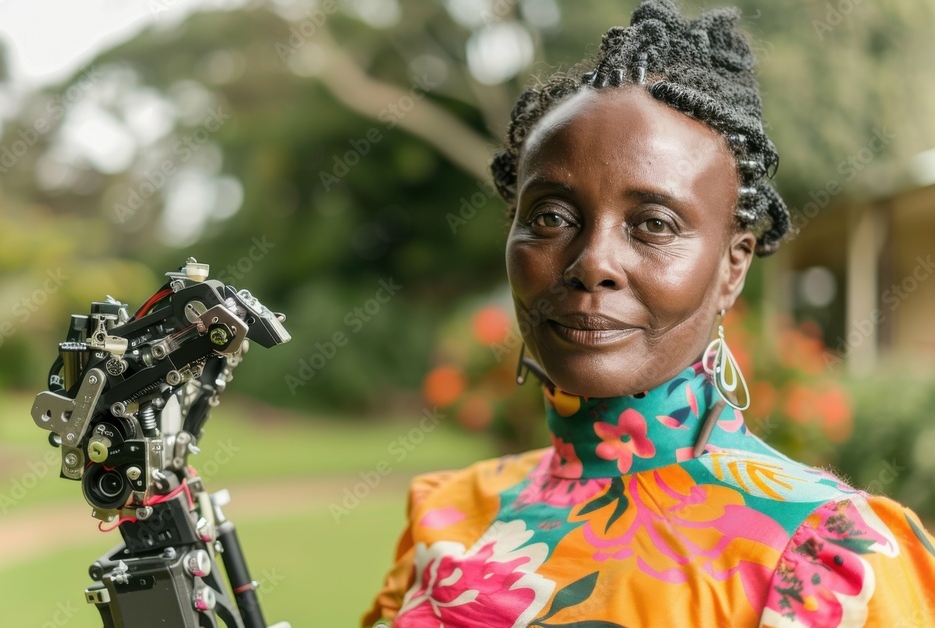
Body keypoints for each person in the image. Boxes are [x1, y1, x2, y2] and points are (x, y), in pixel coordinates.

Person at [363, 1, 935, 625]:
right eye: (552, 216)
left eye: (654, 224)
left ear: (733, 267)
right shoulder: (447, 517)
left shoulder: (825, 552)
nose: (592, 263)